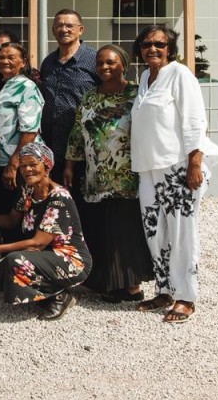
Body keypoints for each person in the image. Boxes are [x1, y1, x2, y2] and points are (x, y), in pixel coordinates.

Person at [129, 25, 218, 323]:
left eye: (160, 44)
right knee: (155, 232)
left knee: (182, 233)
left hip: (177, 168)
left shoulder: (180, 75)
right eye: (147, 44)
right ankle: (164, 289)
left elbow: (195, 120)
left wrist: (194, 163)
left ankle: (186, 297)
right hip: (148, 169)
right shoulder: (145, 77)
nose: (153, 49)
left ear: (170, 48)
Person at [64, 45, 153, 302]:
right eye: (100, 63)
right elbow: (77, 132)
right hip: (95, 175)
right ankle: (109, 284)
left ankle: (132, 286)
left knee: (125, 230)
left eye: (110, 62)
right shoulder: (90, 97)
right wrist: (70, 164)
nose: (104, 67)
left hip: (126, 176)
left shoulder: (136, 94)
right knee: (101, 229)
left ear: (123, 65)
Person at [0, 142, 92, 321]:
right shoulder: (28, 191)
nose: (27, 170)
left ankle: (59, 296)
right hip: (45, 255)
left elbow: (38, 242)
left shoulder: (59, 198)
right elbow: (12, 221)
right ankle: (46, 293)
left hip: (70, 260)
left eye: (33, 165)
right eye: (24, 166)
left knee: (14, 261)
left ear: (47, 166)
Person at [39, 9, 99, 189]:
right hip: (52, 147)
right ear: (53, 30)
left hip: (84, 146)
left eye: (69, 25)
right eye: (59, 26)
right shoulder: (48, 62)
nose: (64, 29)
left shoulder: (94, 60)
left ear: (80, 30)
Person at [0, 42, 44, 217]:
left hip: (17, 166)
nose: (5, 61)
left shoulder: (26, 87)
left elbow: (30, 130)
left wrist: (14, 164)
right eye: (2, 57)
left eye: (11, 57)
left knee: (16, 221)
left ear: (23, 62)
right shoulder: (1, 87)